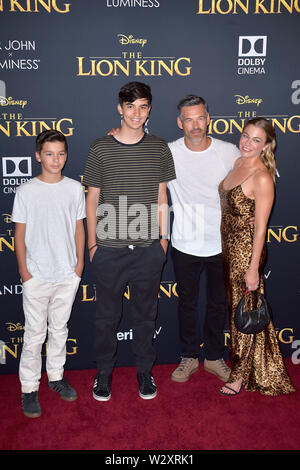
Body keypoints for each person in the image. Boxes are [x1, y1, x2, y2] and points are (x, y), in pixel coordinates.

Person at [83, 81, 176, 401]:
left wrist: (163, 240)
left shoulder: (160, 147)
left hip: (149, 250)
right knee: (106, 318)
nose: (137, 113)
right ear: (120, 108)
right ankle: (103, 375)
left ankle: (144, 372)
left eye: (144, 106)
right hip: (108, 249)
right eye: (131, 106)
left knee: (145, 317)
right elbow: (91, 199)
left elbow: (162, 196)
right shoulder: (100, 147)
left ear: (150, 109)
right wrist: (93, 245)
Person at [12, 129, 86, 418]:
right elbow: (19, 233)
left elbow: (79, 229)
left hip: (67, 274)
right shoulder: (26, 191)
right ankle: (29, 388)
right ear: (38, 156)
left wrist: (79, 266)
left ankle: (55, 377)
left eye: (61, 153)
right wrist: (24, 272)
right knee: (33, 335)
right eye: (49, 153)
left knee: (59, 330)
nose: (56, 159)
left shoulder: (73, 188)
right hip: (37, 275)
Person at [219, 117, 295, 396]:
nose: (247, 143)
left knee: (243, 313)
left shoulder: (262, 176)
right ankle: (258, 366)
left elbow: (261, 229)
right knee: (243, 312)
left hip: (247, 253)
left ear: (267, 146)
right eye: (246, 135)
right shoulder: (239, 162)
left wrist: (253, 268)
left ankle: (238, 376)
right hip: (229, 247)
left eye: (256, 140)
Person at [167, 95, 241, 383]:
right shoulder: (168, 152)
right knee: (186, 303)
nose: (195, 125)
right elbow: (135, 147)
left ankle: (212, 357)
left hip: (221, 244)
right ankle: (188, 357)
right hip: (184, 243)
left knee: (218, 304)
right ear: (180, 122)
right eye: (189, 119)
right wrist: (115, 132)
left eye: (200, 118)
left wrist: (251, 213)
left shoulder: (227, 151)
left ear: (208, 118)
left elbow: (256, 177)